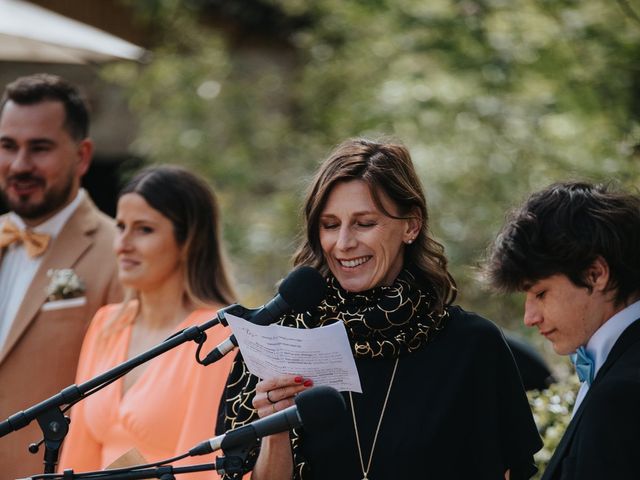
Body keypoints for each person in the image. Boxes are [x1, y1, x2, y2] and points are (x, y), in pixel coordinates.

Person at [218, 138, 542, 480]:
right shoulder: (279, 340)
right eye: (330, 225)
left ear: (411, 225)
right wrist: (276, 430)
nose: (343, 243)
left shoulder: (473, 345)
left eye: (364, 223)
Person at [58, 166, 238, 479]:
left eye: (144, 230)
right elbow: (78, 455)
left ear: (188, 241)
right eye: (121, 227)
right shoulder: (106, 325)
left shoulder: (220, 334)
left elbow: (202, 470)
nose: (122, 244)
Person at [0, 73, 122, 478]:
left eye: (40, 148)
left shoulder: (120, 253)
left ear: (82, 156)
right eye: (7, 146)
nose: (19, 164)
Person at [485, 181, 640, 480]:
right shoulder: (615, 370)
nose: (529, 317)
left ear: (595, 274)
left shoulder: (623, 393)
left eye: (540, 293)